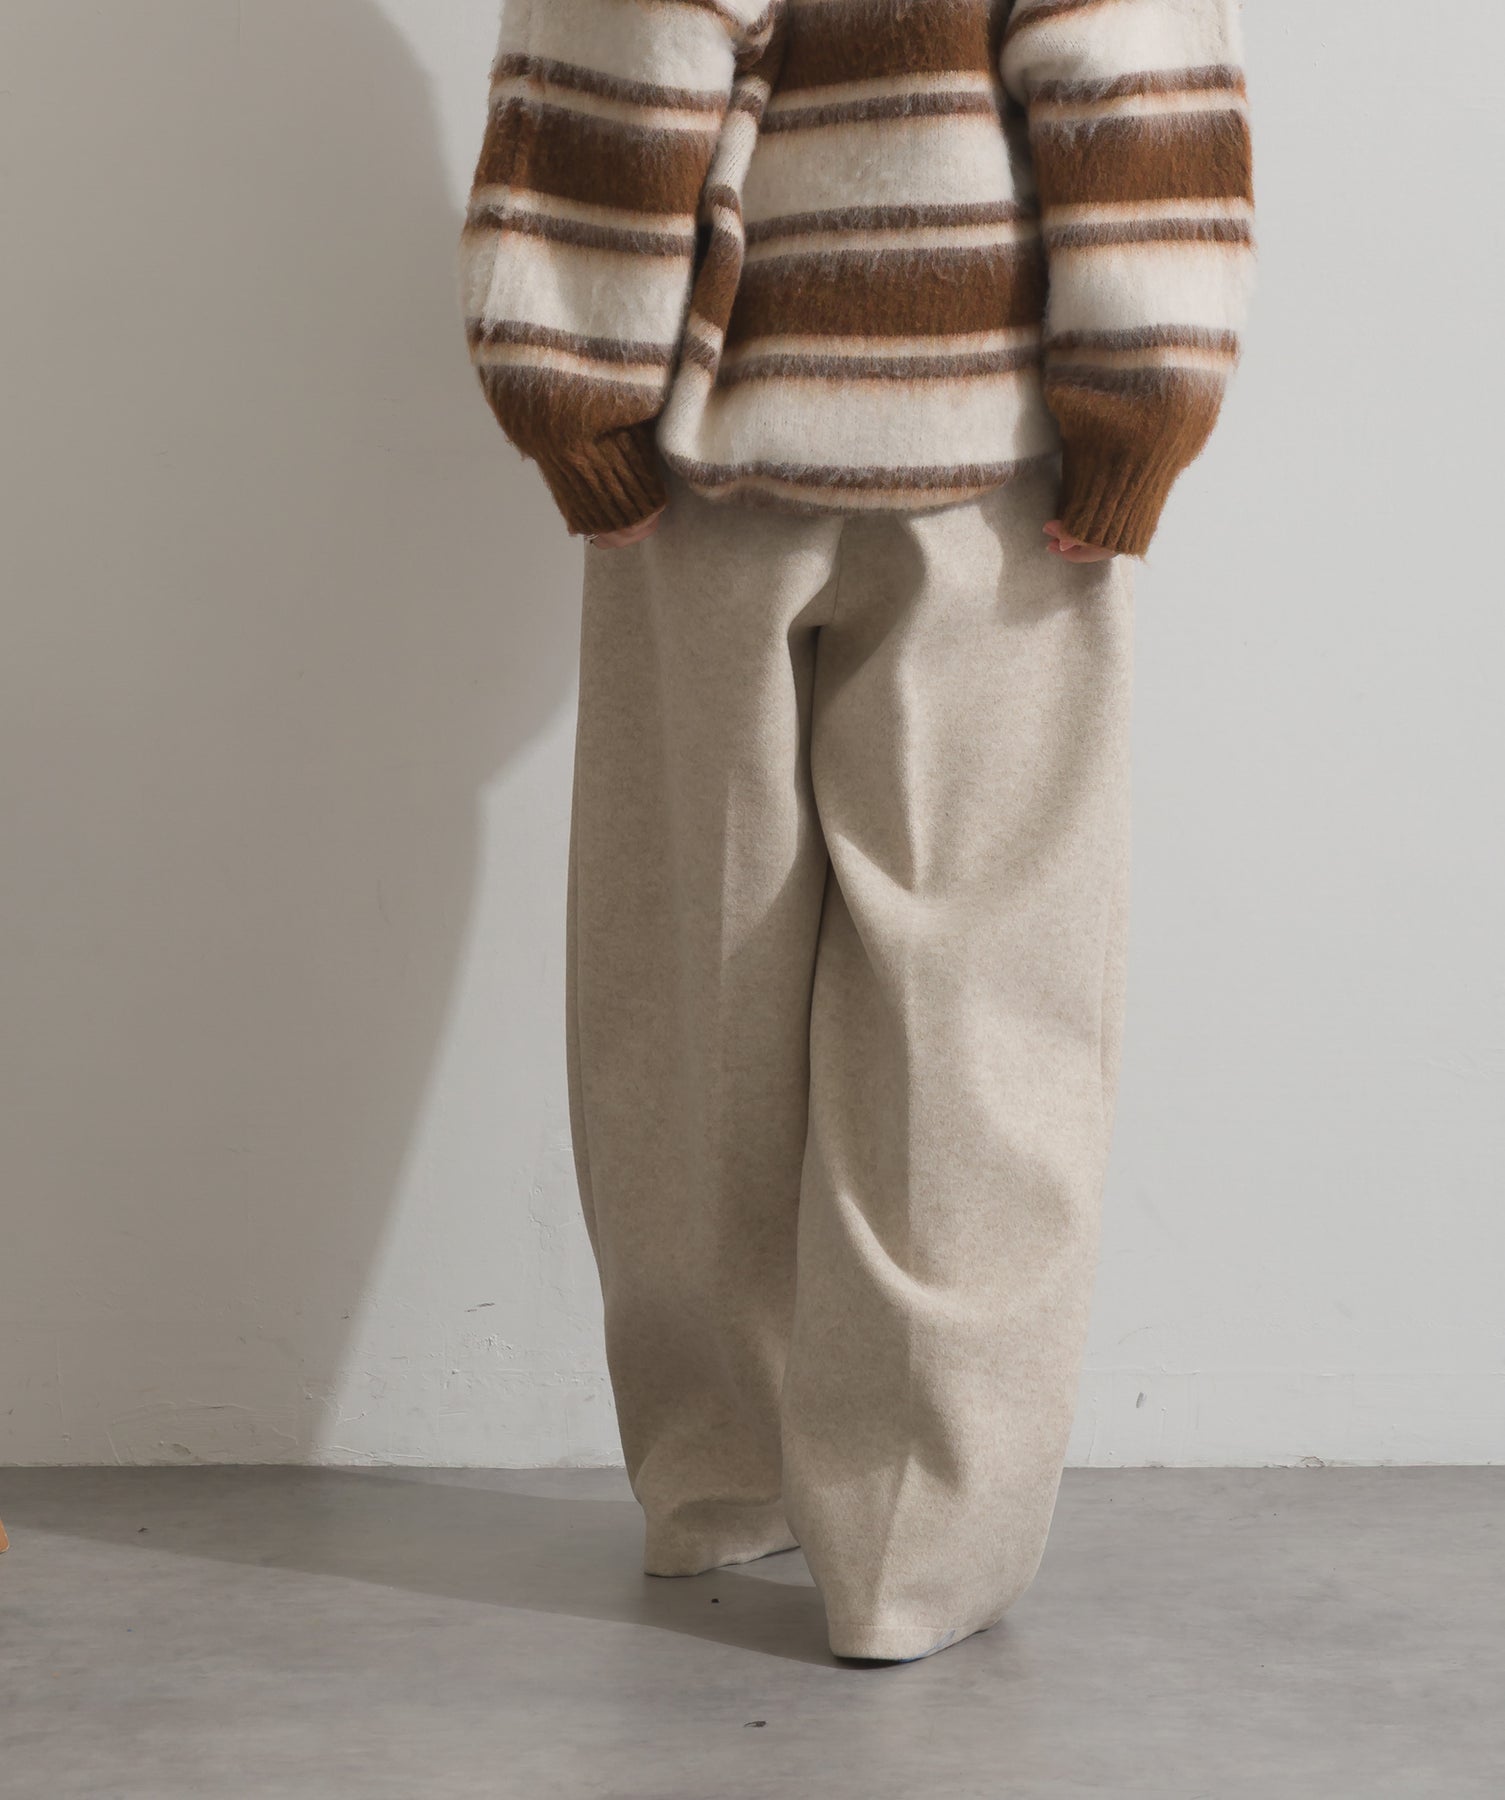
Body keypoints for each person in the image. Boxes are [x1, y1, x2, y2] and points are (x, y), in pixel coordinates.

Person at [457, 0, 1253, 1665]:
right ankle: (912, 1546)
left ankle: (719, 1478)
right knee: (980, 1016)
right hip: (997, 469)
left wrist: (575, 399)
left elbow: (624, 38)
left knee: (690, 982)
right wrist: (1139, 410)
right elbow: (1126, 62)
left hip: (701, 469)